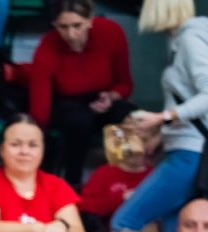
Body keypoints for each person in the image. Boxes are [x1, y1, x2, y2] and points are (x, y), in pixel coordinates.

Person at [110, 0, 208, 232]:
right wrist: (161, 137)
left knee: (124, 223)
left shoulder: (190, 40)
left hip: (190, 154)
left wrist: (160, 118)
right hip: (188, 150)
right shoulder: (184, 38)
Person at [27, 0, 132, 189]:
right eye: (63, 27)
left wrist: (111, 97)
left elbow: (125, 84)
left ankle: (126, 180)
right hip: (65, 103)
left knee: (130, 117)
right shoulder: (47, 46)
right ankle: (72, 183)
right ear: (54, 25)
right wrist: (36, 138)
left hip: (102, 98)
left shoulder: (111, 32)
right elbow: (40, 105)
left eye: (77, 26)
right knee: (79, 120)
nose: (71, 34)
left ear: (90, 20)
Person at [77, 122, 153, 232]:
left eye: (137, 153)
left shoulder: (154, 175)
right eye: (129, 152)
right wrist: (121, 198)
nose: (133, 155)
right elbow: (85, 206)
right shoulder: (105, 172)